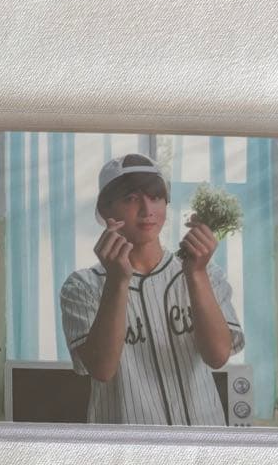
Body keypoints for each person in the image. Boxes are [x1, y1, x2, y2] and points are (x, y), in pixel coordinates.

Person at [59, 153, 245, 426]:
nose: (147, 210)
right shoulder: (82, 287)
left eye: (156, 197)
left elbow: (218, 357)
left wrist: (196, 274)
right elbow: (102, 369)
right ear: (106, 211)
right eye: (131, 199)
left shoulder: (207, 273)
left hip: (203, 438)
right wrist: (117, 281)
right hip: (128, 445)